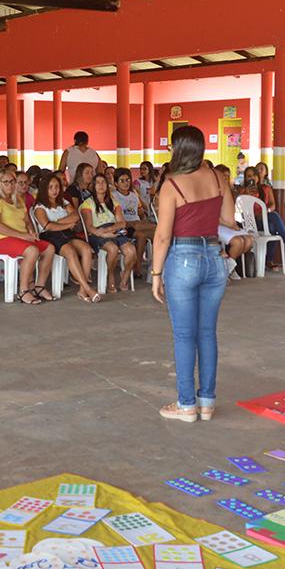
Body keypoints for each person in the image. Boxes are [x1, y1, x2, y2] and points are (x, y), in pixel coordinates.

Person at [150, 125, 234, 423]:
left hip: (183, 259)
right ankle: (207, 402)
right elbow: (228, 220)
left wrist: (156, 273)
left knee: (184, 336)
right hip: (214, 259)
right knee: (207, 333)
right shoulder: (218, 177)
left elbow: (162, 236)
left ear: (177, 148)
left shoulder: (171, 185)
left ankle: (186, 405)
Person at [0, 169, 56, 304]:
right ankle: (23, 291)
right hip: (1, 239)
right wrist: (22, 235)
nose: (10, 185)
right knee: (32, 250)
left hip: (21, 238)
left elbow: (27, 221)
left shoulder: (18, 199)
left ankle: (39, 287)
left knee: (49, 248)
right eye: (6, 182)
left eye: (12, 181)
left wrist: (32, 232)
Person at [33, 174, 99, 303]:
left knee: (86, 249)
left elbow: (75, 216)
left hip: (67, 234)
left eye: (57, 186)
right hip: (50, 236)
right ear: (44, 189)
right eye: (50, 187)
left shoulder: (63, 202)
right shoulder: (40, 207)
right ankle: (87, 288)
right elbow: (48, 226)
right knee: (70, 252)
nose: (54, 190)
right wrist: (67, 224)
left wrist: (58, 221)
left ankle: (81, 289)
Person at [81, 173, 138, 293]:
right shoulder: (88, 203)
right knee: (112, 248)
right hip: (97, 233)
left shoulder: (113, 201)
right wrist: (102, 234)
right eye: (98, 183)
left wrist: (108, 230)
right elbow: (89, 227)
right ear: (93, 186)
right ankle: (110, 275)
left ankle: (125, 277)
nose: (101, 185)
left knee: (131, 250)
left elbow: (121, 222)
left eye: (103, 182)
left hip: (113, 229)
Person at [250, 162, 285, 268]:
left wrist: (265, 212)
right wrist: (245, 192)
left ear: (258, 177)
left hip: (265, 219)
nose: (251, 178)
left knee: (272, 227)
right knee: (274, 218)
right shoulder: (243, 190)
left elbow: (273, 205)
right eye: (248, 176)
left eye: (253, 175)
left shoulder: (266, 188)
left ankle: (268, 260)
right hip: (251, 222)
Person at [112, 167, 155, 277]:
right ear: (116, 183)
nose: (125, 183)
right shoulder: (114, 195)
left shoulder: (134, 195)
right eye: (121, 181)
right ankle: (160, 228)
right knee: (153, 228)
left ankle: (138, 268)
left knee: (143, 234)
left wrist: (143, 219)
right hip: (124, 226)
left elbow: (140, 212)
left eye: (127, 180)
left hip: (136, 224)